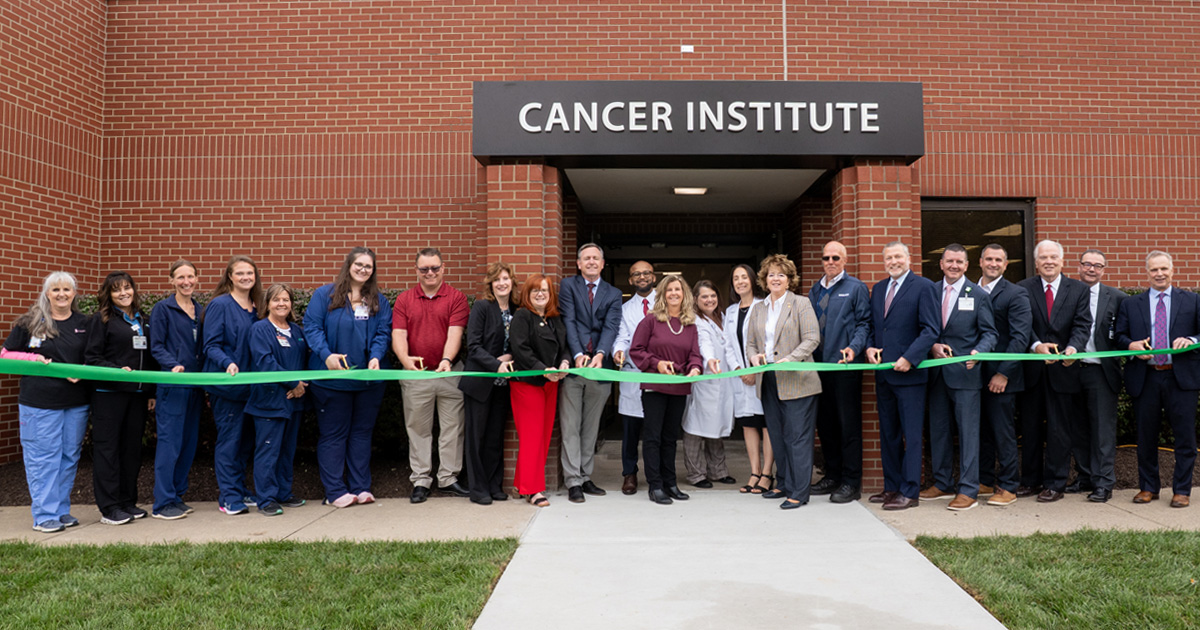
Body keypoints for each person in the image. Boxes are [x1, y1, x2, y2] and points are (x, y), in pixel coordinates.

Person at [304, 247, 392, 508]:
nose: (363, 270)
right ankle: (334, 491)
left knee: (362, 434)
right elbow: (312, 327)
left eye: (369, 266)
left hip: (368, 382)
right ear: (349, 265)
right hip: (331, 382)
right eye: (359, 264)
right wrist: (326, 354)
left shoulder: (378, 300)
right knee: (334, 434)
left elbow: (383, 333)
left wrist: (376, 356)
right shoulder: (325, 295)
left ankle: (360, 487)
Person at [2, 272, 89, 533]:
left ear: (74, 294)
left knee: (68, 456)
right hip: (40, 403)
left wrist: (83, 369)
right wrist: (34, 360)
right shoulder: (31, 322)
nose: (61, 294)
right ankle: (44, 515)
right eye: (55, 290)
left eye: (67, 289)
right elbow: (5, 355)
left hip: (75, 402)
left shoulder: (84, 323)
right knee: (43, 458)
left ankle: (61, 510)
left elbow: (94, 355)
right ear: (47, 293)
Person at [1116, 251, 1200, 509]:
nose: (1159, 274)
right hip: (1146, 377)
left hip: (1180, 378)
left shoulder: (1192, 300)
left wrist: (1193, 340)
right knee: (1145, 436)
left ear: (1173, 270)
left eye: (1164, 269)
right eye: (1154, 270)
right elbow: (1118, 336)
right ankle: (1148, 487)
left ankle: (1182, 490)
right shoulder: (1131, 304)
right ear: (1147, 272)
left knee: (1184, 437)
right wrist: (1132, 344)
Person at [919, 245, 996, 511]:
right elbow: (924, 327)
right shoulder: (929, 291)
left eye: (959, 262)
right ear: (941, 264)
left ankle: (968, 490)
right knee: (938, 431)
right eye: (949, 261)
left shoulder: (977, 295)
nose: (954, 265)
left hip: (965, 373)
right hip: (936, 372)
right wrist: (932, 346)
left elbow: (990, 333)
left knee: (968, 433)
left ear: (966, 265)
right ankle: (942, 483)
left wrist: (980, 351)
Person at [392, 247, 470, 503]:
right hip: (417, 375)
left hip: (449, 372)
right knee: (418, 429)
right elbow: (399, 335)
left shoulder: (456, 298)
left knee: (452, 428)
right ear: (416, 271)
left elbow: (455, 333)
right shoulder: (404, 300)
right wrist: (406, 361)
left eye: (435, 268)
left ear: (443, 268)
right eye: (424, 269)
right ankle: (421, 480)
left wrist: (447, 360)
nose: (430, 273)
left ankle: (448, 478)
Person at [865, 241, 939, 511]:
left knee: (911, 435)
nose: (893, 261)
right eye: (888, 258)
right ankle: (892, 487)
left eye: (898, 256)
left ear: (909, 258)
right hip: (884, 374)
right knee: (889, 434)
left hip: (910, 376)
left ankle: (910, 491)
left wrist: (910, 357)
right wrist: (870, 347)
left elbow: (931, 329)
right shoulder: (879, 289)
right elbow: (875, 326)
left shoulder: (924, 287)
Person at [1016, 239, 1092, 502]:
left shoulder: (1079, 290)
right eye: (1043, 258)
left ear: (1062, 261)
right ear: (1036, 263)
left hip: (1065, 369)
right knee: (1031, 427)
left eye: (1053, 257)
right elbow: (1021, 325)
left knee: (1060, 429)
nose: (1049, 261)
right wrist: (1036, 346)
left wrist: (1074, 348)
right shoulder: (1023, 289)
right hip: (1033, 370)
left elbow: (1083, 325)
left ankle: (1055, 484)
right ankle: (1030, 481)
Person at [746, 254, 822, 510]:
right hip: (768, 380)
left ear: (789, 280)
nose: (775, 278)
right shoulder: (759, 308)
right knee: (778, 436)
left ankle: (799, 492)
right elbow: (751, 343)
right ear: (764, 280)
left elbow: (811, 339)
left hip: (798, 380)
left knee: (797, 437)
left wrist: (789, 359)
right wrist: (754, 356)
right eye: (771, 274)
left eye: (781, 274)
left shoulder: (801, 303)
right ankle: (784, 483)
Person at [85, 271, 158, 525]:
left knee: (131, 451)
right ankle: (109, 507)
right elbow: (92, 358)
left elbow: (150, 360)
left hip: (137, 396)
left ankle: (127, 501)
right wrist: (116, 371)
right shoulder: (101, 320)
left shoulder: (143, 320)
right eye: (117, 289)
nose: (123, 293)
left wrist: (150, 392)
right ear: (109, 294)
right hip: (109, 395)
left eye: (127, 288)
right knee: (108, 450)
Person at [806, 240, 871, 503]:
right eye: (826, 258)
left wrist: (854, 349)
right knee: (827, 425)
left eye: (835, 258)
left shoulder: (855, 288)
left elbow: (864, 324)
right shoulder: (815, 290)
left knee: (848, 426)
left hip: (845, 368)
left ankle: (850, 482)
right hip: (819, 369)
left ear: (844, 261)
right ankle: (832, 475)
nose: (830, 262)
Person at [630, 275, 703, 505]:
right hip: (654, 387)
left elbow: (694, 354)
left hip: (679, 387)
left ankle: (671, 483)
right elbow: (636, 350)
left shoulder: (690, 324)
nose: (674, 293)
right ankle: (656, 485)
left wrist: (695, 368)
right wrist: (656, 363)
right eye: (669, 289)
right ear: (662, 294)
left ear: (684, 295)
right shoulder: (650, 321)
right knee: (653, 437)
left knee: (671, 437)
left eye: (678, 290)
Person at [558, 242, 622, 503]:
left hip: (601, 368)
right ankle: (572, 480)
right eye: (587, 258)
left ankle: (585, 476)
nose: (592, 262)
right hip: (574, 368)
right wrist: (577, 355)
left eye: (596, 258)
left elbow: (611, 326)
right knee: (571, 425)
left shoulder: (614, 293)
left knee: (591, 427)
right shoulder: (568, 286)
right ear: (579, 263)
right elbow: (569, 321)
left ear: (603, 263)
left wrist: (600, 354)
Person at [202, 254, 263, 515]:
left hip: (252, 389)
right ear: (230, 276)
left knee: (246, 442)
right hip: (227, 388)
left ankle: (239, 489)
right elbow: (210, 345)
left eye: (250, 273)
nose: (246, 277)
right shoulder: (220, 305)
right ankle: (228, 496)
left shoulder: (257, 306)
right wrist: (227, 362)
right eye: (240, 273)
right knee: (230, 441)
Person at [975, 244, 1031, 507]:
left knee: (1002, 432)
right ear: (980, 261)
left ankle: (1008, 486)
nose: (993, 263)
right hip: (974, 376)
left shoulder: (1016, 294)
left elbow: (1020, 338)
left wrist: (1003, 373)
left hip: (1002, 378)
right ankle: (985, 480)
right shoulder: (970, 290)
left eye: (999, 259)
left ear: (1006, 264)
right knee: (982, 430)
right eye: (989, 259)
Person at [509, 274, 571, 508]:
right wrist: (543, 369)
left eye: (545, 290)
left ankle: (522, 483)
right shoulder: (523, 316)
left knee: (543, 436)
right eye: (535, 290)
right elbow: (521, 350)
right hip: (528, 384)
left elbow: (564, 348)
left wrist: (564, 363)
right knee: (532, 437)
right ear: (528, 294)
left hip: (551, 383)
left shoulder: (555, 318)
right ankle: (533, 489)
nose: (540, 294)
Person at [246, 284, 308, 516]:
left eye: (286, 299)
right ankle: (266, 498)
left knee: (286, 450)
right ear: (267, 304)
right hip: (268, 402)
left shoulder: (296, 331)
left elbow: (304, 363)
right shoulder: (260, 329)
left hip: (294, 402)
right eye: (276, 300)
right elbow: (265, 362)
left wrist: (301, 386)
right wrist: (293, 383)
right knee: (268, 451)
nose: (281, 304)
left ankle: (284, 492)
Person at [1070, 248, 1127, 503]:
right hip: (1069, 371)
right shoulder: (1068, 293)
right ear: (1079, 266)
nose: (1091, 269)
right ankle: (1084, 477)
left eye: (1097, 265)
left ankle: (1103, 483)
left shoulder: (1117, 297)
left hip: (1100, 371)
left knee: (1102, 431)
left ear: (1104, 270)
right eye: (1087, 264)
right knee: (1077, 429)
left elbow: (1126, 334)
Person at [149, 259, 204, 520]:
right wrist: (174, 365)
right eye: (180, 277)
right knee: (170, 444)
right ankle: (162, 502)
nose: (186, 282)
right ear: (171, 280)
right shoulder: (163, 309)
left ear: (196, 279)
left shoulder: (200, 310)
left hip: (195, 386)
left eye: (190, 277)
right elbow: (156, 346)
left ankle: (177, 495)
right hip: (173, 385)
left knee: (188, 443)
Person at [459, 262, 517, 505]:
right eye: (497, 280)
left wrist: (511, 357)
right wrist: (496, 363)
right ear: (490, 285)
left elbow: (520, 343)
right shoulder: (482, 307)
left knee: (495, 437)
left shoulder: (517, 310)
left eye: (506, 278)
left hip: (503, 385)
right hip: (480, 383)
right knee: (477, 438)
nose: (502, 283)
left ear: (512, 282)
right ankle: (478, 488)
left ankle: (494, 485)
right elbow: (473, 346)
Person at [681, 279, 735, 489]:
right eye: (704, 296)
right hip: (703, 380)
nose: (709, 300)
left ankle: (718, 471)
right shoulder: (695, 320)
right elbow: (703, 343)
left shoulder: (720, 318)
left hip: (721, 380)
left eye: (713, 295)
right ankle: (695, 474)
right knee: (695, 429)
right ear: (695, 299)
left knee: (716, 427)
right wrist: (710, 359)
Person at [723, 263, 772, 494]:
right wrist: (739, 369)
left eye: (744, 277)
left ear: (753, 280)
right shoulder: (731, 311)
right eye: (736, 278)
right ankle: (754, 472)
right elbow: (728, 344)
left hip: (761, 374)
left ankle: (767, 474)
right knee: (748, 424)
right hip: (740, 377)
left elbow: (768, 342)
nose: (740, 281)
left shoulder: (764, 306)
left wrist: (755, 370)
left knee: (766, 424)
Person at [612, 260, 656, 495]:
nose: (642, 277)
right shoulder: (624, 309)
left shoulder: (667, 302)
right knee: (630, 432)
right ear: (630, 280)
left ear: (654, 277)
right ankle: (629, 474)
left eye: (646, 273)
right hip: (633, 374)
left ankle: (655, 475)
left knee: (655, 431)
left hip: (659, 376)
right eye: (636, 274)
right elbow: (622, 337)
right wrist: (618, 351)